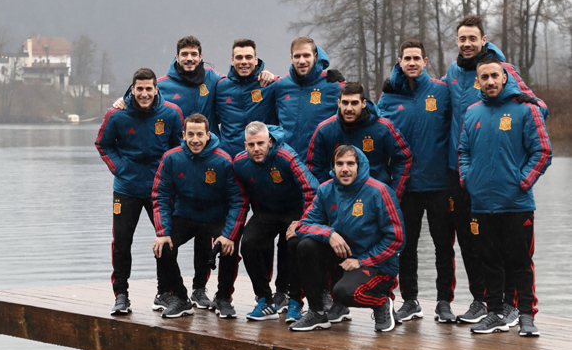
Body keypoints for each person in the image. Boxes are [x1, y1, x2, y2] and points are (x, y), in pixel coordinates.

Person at [112, 36, 273, 309]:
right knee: (165, 236)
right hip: (176, 167)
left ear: (201, 56)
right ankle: (167, 292)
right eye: (184, 54)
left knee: (207, 234)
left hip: (211, 163)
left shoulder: (214, 80)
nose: (189, 58)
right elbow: (142, 94)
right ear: (177, 57)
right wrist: (124, 99)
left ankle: (202, 290)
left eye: (194, 54)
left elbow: (242, 78)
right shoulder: (162, 84)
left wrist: (265, 73)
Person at [443, 15, 548, 325]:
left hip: (502, 178)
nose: (466, 44)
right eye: (462, 39)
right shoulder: (452, 72)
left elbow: (536, 107)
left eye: (472, 38)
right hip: (463, 172)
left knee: (510, 248)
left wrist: (517, 101)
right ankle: (482, 300)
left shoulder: (501, 69)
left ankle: (514, 304)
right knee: (469, 241)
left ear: (483, 40)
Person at [458, 58, 551, 336]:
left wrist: (522, 182)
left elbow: (543, 151)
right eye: (484, 77)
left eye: (494, 76)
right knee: (489, 261)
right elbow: (463, 152)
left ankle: (525, 315)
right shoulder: (472, 112)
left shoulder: (525, 109)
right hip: (481, 204)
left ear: (504, 78)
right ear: (478, 82)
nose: (489, 81)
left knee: (520, 262)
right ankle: (495, 312)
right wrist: (468, 179)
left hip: (516, 203)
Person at [377, 40, 455, 323]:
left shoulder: (442, 92)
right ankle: (410, 301)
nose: (411, 63)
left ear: (425, 60)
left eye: (416, 58)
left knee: (443, 247)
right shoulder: (389, 97)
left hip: (439, 185)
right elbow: (375, 132)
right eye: (406, 58)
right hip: (405, 187)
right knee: (405, 247)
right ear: (399, 61)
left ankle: (444, 302)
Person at [95, 68, 184, 315]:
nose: (144, 94)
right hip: (127, 188)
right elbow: (102, 144)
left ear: (156, 89)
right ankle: (121, 295)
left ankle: (164, 293)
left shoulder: (171, 113)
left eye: (149, 89)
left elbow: (179, 148)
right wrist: (120, 168)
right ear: (132, 89)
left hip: (160, 189)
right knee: (122, 243)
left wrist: (171, 178)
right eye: (139, 89)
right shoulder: (116, 115)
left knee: (166, 241)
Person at [290, 145, 405, 332]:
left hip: (375, 264)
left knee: (344, 293)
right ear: (333, 167)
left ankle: (382, 303)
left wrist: (362, 260)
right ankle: (317, 313)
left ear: (359, 166)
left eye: (350, 163)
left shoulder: (379, 191)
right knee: (304, 245)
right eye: (339, 164)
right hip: (343, 258)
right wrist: (329, 234)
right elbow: (303, 225)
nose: (345, 169)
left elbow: (396, 239)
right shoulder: (326, 189)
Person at [151, 113, 249, 319]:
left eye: (200, 134)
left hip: (215, 217)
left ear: (208, 135)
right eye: (190, 134)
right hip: (185, 215)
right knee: (163, 247)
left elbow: (238, 200)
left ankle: (223, 298)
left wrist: (229, 234)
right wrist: (162, 232)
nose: (195, 140)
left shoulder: (223, 161)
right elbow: (160, 196)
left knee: (230, 247)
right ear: (184, 135)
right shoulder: (171, 158)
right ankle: (181, 298)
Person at [234, 122, 317, 320]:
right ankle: (265, 299)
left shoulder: (286, 156)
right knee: (248, 243)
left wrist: (302, 221)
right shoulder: (239, 163)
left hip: (294, 211)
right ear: (245, 145)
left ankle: (295, 301)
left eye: (261, 143)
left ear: (270, 142)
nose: (256, 149)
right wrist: (232, 232)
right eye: (251, 145)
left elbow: (312, 189)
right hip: (266, 211)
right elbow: (239, 198)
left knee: (295, 244)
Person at [307, 82, 412, 200]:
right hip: (338, 201)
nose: (349, 108)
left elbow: (403, 158)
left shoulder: (383, 128)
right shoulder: (324, 130)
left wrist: (394, 193)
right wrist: (327, 196)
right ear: (338, 103)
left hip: (376, 199)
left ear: (363, 104)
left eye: (354, 103)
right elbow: (314, 167)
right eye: (345, 103)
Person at [273, 36, 346, 159]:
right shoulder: (280, 86)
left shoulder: (333, 85)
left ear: (316, 57)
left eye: (306, 55)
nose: (301, 61)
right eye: (297, 56)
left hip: (320, 163)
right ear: (291, 58)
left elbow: (358, 110)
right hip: (288, 163)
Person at [215, 39, 278, 157]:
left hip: (261, 158)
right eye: (239, 57)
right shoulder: (220, 87)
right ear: (232, 61)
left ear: (255, 60)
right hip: (230, 158)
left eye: (248, 57)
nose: (244, 62)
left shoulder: (269, 85)